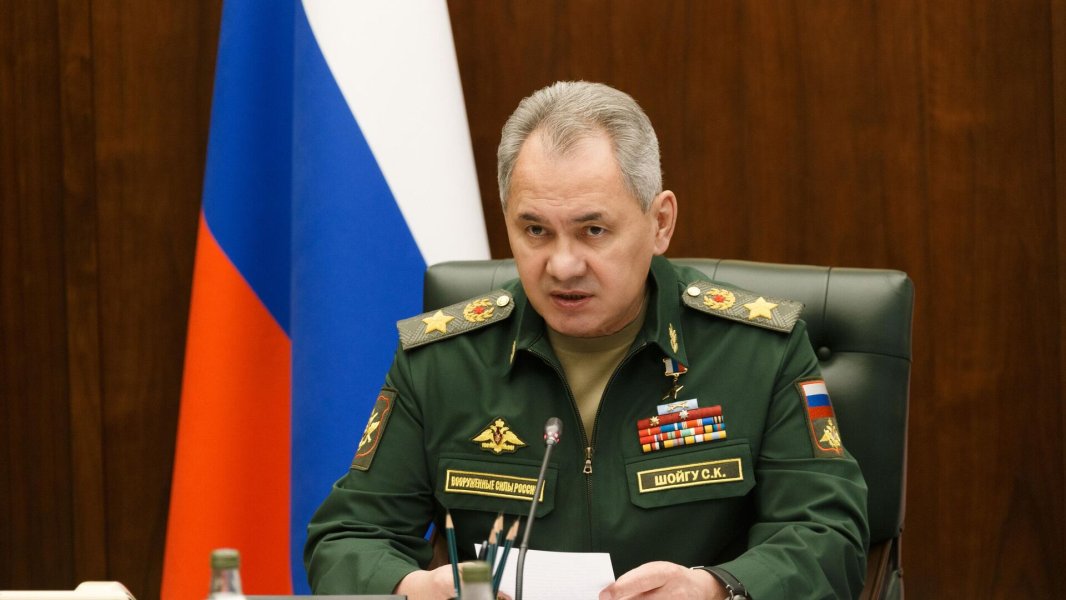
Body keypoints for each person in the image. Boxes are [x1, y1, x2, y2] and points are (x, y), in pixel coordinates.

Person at [305, 81, 869, 599]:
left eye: (593, 230)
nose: (563, 265)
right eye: (535, 230)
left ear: (660, 223)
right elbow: (348, 537)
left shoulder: (758, 351)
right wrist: (412, 587)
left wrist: (716, 589)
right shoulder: (444, 360)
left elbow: (827, 534)